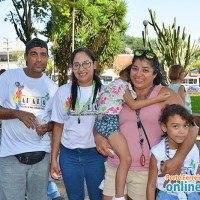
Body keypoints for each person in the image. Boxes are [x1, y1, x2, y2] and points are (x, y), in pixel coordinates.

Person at [94, 49, 198, 200]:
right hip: (114, 166)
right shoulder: (121, 91)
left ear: (155, 74)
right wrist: (97, 136)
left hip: (145, 172)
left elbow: (192, 128)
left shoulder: (164, 94)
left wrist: (178, 160)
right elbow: (102, 117)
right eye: (135, 69)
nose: (138, 74)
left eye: (145, 70)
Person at [95, 67, 170, 200]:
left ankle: (115, 190)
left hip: (102, 120)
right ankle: (118, 196)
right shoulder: (123, 87)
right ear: (130, 79)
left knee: (122, 156)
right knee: (126, 158)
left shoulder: (111, 85)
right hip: (109, 121)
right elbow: (134, 105)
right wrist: (158, 99)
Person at [0, 38, 58, 200]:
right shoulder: (9, 77)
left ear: (47, 58)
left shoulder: (52, 87)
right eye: (34, 54)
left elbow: (57, 122)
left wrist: (47, 127)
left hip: (41, 158)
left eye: (43, 55)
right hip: (11, 155)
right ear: (25, 57)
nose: (39, 59)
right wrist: (18, 113)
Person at [50, 47, 106, 200]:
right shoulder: (63, 91)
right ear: (72, 68)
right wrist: (54, 159)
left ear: (94, 64)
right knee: (74, 197)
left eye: (86, 64)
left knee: (98, 196)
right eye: (76, 65)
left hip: (98, 154)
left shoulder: (105, 92)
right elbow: (58, 126)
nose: (81, 69)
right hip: (69, 155)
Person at [147, 104, 199, 200]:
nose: (182, 131)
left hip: (191, 195)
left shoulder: (193, 148)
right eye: (175, 126)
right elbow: (151, 185)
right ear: (164, 127)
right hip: (167, 196)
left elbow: (197, 169)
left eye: (185, 125)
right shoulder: (158, 152)